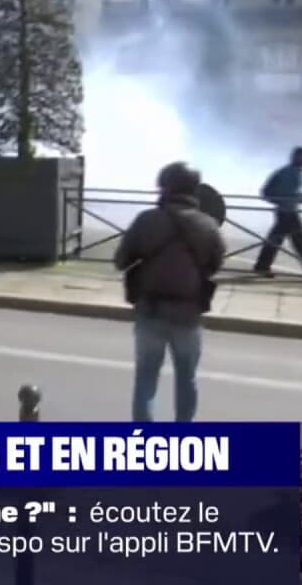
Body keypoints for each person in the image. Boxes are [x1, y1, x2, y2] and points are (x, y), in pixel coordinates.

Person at [114, 162, 226, 422]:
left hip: (149, 311)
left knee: (145, 379)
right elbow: (216, 262)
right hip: (188, 315)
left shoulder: (146, 220)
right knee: (186, 379)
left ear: (165, 187)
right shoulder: (207, 224)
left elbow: (121, 260)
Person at [254, 146, 302, 277]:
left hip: (287, 210)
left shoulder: (296, 171)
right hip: (287, 211)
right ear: (298, 157)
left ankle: (262, 266)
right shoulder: (289, 173)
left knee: (279, 239)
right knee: (296, 240)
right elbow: (288, 194)